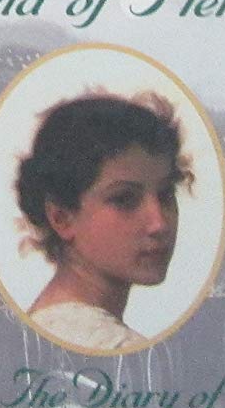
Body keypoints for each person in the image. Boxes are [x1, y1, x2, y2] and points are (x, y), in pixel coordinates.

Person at [14, 91, 190, 354]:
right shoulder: (112, 345)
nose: (159, 224)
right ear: (62, 218)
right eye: (125, 199)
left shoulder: (43, 326)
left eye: (165, 194)